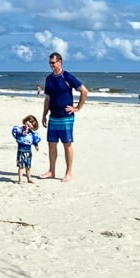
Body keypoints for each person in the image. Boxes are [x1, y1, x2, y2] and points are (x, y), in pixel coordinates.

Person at [40, 52, 88, 183]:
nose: (51, 65)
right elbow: (48, 98)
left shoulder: (67, 76)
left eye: (53, 63)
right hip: (53, 116)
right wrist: (44, 114)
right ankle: (51, 171)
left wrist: (77, 108)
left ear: (60, 62)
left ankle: (68, 173)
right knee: (51, 144)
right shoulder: (49, 78)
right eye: (50, 63)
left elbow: (84, 91)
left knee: (67, 144)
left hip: (66, 117)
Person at [12, 116, 41, 184]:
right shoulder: (19, 129)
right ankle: (20, 179)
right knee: (21, 166)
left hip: (28, 151)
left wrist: (36, 145)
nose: (29, 124)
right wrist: (23, 132)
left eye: (32, 124)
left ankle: (29, 178)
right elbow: (16, 133)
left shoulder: (32, 133)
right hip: (21, 150)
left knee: (28, 166)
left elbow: (34, 140)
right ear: (25, 121)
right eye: (29, 122)